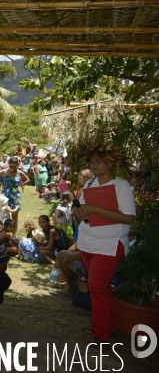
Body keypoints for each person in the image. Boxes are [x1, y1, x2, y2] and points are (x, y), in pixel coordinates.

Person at [72, 144, 135, 345]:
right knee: (102, 288)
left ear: (110, 163)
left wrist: (95, 208)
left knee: (96, 287)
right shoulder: (88, 184)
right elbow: (81, 215)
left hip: (110, 245)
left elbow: (129, 218)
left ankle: (101, 335)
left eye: (98, 161)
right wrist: (78, 214)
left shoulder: (121, 185)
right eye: (92, 161)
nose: (94, 164)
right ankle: (110, 325)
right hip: (88, 243)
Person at [0, 157, 30, 236]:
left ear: (17, 166)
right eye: (10, 166)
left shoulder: (19, 172)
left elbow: (27, 179)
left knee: (15, 218)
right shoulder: (4, 172)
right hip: (5, 197)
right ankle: (4, 234)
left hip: (15, 196)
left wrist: (22, 184)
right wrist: (1, 183)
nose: (12, 168)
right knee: (4, 217)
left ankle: (14, 235)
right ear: (8, 165)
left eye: (14, 167)